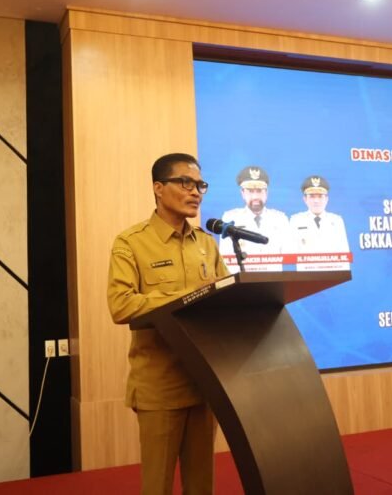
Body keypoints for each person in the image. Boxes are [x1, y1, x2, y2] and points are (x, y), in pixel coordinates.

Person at [107, 153, 228, 495]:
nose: (195, 192)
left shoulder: (206, 243)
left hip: (204, 382)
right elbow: (121, 305)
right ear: (158, 188)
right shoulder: (131, 242)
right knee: (157, 485)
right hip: (160, 386)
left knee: (201, 485)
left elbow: (222, 298)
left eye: (200, 185)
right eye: (185, 183)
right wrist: (187, 296)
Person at [218, 166, 289, 260]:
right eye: (250, 191)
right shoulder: (230, 218)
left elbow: (289, 257)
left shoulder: (280, 219)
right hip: (243, 269)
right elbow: (225, 258)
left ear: (266, 192)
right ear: (242, 193)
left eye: (259, 191)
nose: (255, 196)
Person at [288, 175, 350, 254]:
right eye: (312, 196)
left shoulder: (336, 221)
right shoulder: (296, 221)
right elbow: (291, 252)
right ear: (305, 199)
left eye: (320, 196)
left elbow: (344, 253)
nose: (316, 201)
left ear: (326, 199)